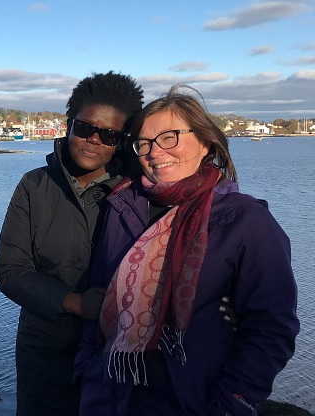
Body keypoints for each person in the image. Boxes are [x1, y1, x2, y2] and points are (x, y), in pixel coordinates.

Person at [75, 85, 300, 415]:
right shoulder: (122, 207)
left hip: (193, 401)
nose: (155, 152)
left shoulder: (245, 221)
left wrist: (231, 401)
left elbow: (272, 328)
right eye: (145, 143)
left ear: (205, 141)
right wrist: (86, 369)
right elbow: (99, 296)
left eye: (170, 137)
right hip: (110, 396)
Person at [0, 71, 144, 415]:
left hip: (119, 356)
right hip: (44, 355)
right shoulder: (34, 186)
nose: (93, 140)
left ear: (121, 141)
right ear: (68, 125)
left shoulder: (138, 193)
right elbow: (9, 270)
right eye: (85, 128)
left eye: (108, 134)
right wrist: (73, 302)